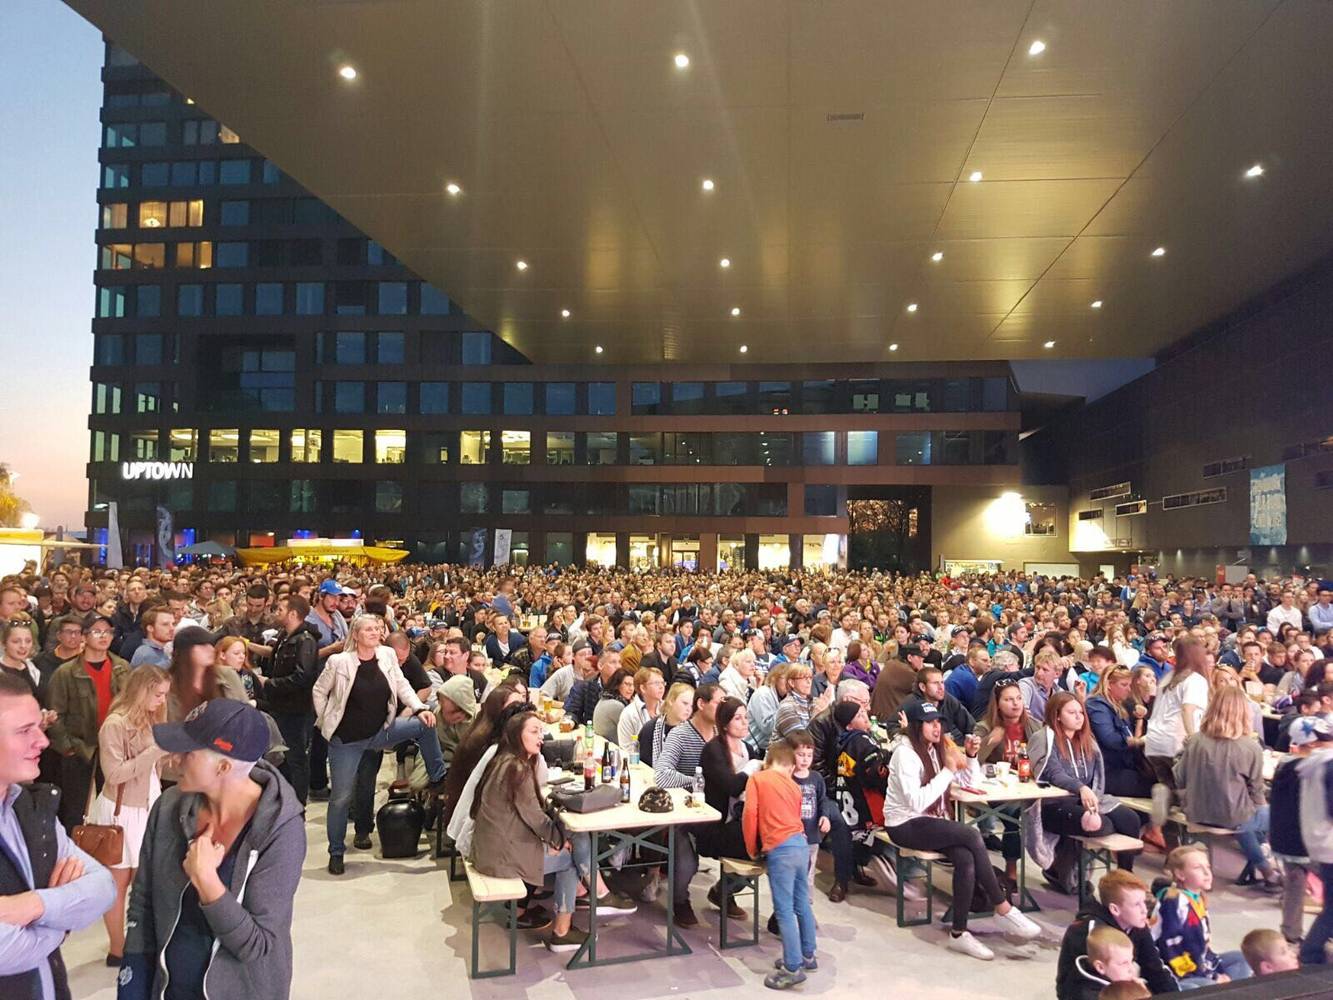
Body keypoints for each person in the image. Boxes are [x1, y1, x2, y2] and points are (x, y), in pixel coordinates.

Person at [118, 699, 306, 1000]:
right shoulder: (168, 808)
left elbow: (258, 945)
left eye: (188, 752)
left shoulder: (281, 831)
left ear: (223, 766)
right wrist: (131, 984)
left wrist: (207, 882)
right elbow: (143, 902)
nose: (175, 759)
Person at [882, 700, 1041, 960]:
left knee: (966, 857)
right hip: (904, 823)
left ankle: (959, 933)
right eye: (930, 723)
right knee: (971, 834)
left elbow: (970, 782)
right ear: (915, 726)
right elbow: (917, 801)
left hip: (931, 820)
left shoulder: (937, 748)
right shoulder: (905, 754)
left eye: (939, 722)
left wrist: (968, 757)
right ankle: (1003, 907)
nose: (937, 727)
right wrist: (947, 770)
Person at [468, 714, 630, 954]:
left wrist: (556, 839)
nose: (540, 737)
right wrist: (558, 841)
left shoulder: (504, 760)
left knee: (573, 838)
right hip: (499, 857)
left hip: (490, 848)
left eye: (541, 731)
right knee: (570, 859)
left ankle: (599, 895)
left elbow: (528, 815)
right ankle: (565, 930)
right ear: (516, 735)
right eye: (534, 731)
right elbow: (534, 817)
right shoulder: (517, 768)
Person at [0, 669, 115, 1000]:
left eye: (39, 725)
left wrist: (34, 905)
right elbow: (7, 951)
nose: (43, 740)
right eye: (24, 731)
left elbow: (102, 885)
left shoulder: (31, 808)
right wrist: (60, 922)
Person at [312, 614, 447, 874]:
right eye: (369, 629)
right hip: (347, 740)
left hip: (380, 731)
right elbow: (319, 691)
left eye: (377, 628)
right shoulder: (339, 662)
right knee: (340, 798)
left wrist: (419, 708)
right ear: (356, 635)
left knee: (426, 724)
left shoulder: (386, 655)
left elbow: (401, 684)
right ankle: (336, 852)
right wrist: (326, 721)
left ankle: (437, 776)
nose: (375, 632)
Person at [93, 665, 170, 965]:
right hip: (121, 813)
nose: (162, 700)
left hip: (149, 806)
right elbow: (113, 774)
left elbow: (155, 769)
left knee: (147, 884)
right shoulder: (114, 725)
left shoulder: (154, 718)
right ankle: (117, 948)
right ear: (141, 691)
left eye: (165, 694)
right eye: (157, 694)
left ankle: (140, 942)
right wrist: (154, 752)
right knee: (118, 885)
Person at [1032, 691, 1142, 895]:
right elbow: (1053, 773)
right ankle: (1061, 867)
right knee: (1099, 824)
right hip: (1054, 803)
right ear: (1057, 715)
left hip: (1089, 800)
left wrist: (1089, 792)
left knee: (1130, 820)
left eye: (1080, 712)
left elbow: (1095, 777)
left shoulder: (1087, 741)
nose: (1078, 717)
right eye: (1071, 712)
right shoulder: (1043, 738)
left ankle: (1126, 877)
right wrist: (1080, 788)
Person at [1174, 686, 1281, 888]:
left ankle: (1263, 867)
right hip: (1231, 815)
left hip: (1196, 811)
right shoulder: (1250, 747)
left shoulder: (1195, 741)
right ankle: (1266, 865)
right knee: (1275, 817)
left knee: (1244, 820)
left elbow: (1180, 778)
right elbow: (1256, 793)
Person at [741, 739, 817, 991]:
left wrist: (752, 848)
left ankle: (792, 967)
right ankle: (808, 955)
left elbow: (750, 814)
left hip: (780, 850)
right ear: (791, 767)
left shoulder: (758, 779)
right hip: (801, 847)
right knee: (801, 903)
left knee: (784, 910)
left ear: (767, 762)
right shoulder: (795, 788)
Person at [46, 613, 130, 831]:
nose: (103, 636)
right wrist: (67, 747)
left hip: (113, 747)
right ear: (84, 636)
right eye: (96, 631)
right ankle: (71, 849)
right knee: (74, 808)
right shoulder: (66, 673)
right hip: (80, 747)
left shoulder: (121, 667)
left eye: (108, 632)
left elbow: (131, 705)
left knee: (111, 805)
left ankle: (105, 849)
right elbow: (56, 713)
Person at [654, 682, 724, 926]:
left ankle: (724, 891)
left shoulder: (722, 734)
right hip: (687, 811)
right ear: (702, 704)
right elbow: (662, 775)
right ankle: (680, 901)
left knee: (752, 850)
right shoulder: (680, 735)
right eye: (718, 703)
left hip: (718, 811)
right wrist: (698, 781)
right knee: (686, 865)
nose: (723, 709)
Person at [1055, 869, 1180, 999]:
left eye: (1144, 902)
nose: (1144, 910)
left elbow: (1155, 969)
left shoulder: (1136, 923)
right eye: (1137, 904)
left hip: (1122, 986)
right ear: (1115, 909)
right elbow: (1080, 987)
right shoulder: (1090, 933)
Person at [970, 675, 1040, 888]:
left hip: (1028, 786)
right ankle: (1011, 871)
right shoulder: (984, 726)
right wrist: (992, 740)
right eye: (1009, 700)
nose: (1016, 704)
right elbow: (973, 758)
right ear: (998, 704)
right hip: (997, 789)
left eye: (1018, 698)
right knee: (1013, 815)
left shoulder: (1034, 725)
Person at [1152, 844, 1252, 987]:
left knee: (1242, 958)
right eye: (1198, 868)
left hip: (1199, 963)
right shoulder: (1175, 901)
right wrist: (1213, 976)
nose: (1207, 873)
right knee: (1207, 987)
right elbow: (1172, 950)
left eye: (1208, 867)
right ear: (1180, 874)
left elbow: (1202, 947)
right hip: (1177, 970)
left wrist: (1215, 969)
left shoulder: (1198, 898)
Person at [698, 697, 761, 917]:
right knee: (759, 845)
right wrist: (751, 769)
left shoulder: (749, 748)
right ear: (725, 723)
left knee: (775, 844)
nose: (744, 723)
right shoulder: (713, 750)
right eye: (738, 718)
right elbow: (732, 786)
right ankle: (724, 891)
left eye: (746, 718)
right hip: (719, 824)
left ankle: (725, 889)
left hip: (745, 817)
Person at [254, 595, 319, 804]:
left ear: (292, 613)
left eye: (280, 609)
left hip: (296, 709)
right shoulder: (285, 636)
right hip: (279, 705)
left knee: (296, 757)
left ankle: (298, 804)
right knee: (283, 757)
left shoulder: (305, 640)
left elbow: (303, 676)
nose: (276, 613)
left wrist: (270, 683)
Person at [1145, 636, 1211, 828]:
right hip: (1176, 740)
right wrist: (1192, 737)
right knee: (1187, 790)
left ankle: (1165, 794)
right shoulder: (1195, 680)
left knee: (1168, 786)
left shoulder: (1168, 677)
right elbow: (1187, 709)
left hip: (1155, 740)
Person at [787, 729, 856, 902]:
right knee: (791, 872)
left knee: (808, 873)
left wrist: (825, 816)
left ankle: (805, 904)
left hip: (811, 836)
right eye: (800, 755)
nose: (805, 759)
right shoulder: (787, 779)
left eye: (809, 755)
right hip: (792, 836)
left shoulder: (816, 778)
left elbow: (823, 800)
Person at [1087, 666, 1154, 799]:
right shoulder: (1096, 705)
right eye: (1124, 685)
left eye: (1129, 685)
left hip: (1124, 765)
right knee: (1155, 788)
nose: (1128, 689)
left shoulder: (1120, 705)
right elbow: (1109, 739)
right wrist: (1137, 741)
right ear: (1109, 684)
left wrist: (1140, 718)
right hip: (1107, 771)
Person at [638, 681, 693, 768]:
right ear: (671, 701)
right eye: (685, 703)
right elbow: (644, 764)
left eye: (691, 706)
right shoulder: (650, 729)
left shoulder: (692, 731)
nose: (688, 709)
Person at [616, 667, 663, 750]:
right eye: (656, 683)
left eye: (663, 683)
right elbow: (626, 749)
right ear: (643, 688)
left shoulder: (668, 709)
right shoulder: (629, 713)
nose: (661, 687)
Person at [592, 667, 634, 745]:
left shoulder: (605, 698)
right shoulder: (617, 706)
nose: (631, 689)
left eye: (633, 685)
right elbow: (633, 734)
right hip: (615, 750)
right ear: (617, 685)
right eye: (627, 684)